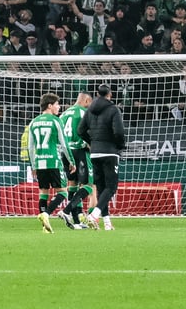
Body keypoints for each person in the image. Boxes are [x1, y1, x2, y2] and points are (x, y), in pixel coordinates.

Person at [78, 84, 125, 231]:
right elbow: (119, 132)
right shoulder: (113, 109)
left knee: (101, 188)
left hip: (95, 153)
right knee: (111, 187)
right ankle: (94, 215)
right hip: (109, 152)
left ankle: (107, 223)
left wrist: (92, 142)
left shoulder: (89, 110)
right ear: (110, 95)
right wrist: (119, 145)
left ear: (97, 94)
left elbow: (80, 130)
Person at [27, 93, 74, 234]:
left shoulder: (33, 122)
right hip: (53, 161)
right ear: (49, 105)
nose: (59, 107)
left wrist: (33, 166)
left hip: (39, 162)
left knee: (43, 192)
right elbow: (64, 144)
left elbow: (30, 147)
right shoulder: (56, 121)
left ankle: (45, 226)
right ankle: (46, 214)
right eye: (57, 104)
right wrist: (71, 161)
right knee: (63, 192)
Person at [57, 92, 92, 228]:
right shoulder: (84, 113)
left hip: (65, 152)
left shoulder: (64, 114)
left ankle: (76, 221)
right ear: (86, 100)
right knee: (88, 185)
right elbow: (87, 132)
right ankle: (66, 211)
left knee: (72, 184)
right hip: (80, 151)